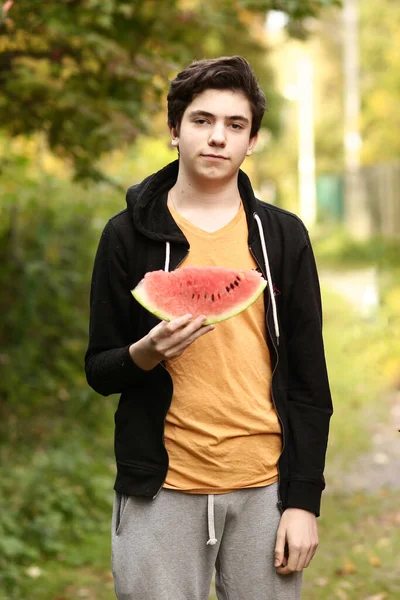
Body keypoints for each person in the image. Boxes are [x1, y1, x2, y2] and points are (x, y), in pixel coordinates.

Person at [85, 55, 333, 600]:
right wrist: (144, 353)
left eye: (235, 125)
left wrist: (303, 501)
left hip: (264, 488)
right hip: (161, 490)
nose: (217, 137)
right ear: (175, 131)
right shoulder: (127, 236)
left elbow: (310, 385)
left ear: (253, 141)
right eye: (202, 121)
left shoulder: (283, 238)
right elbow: (99, 369)